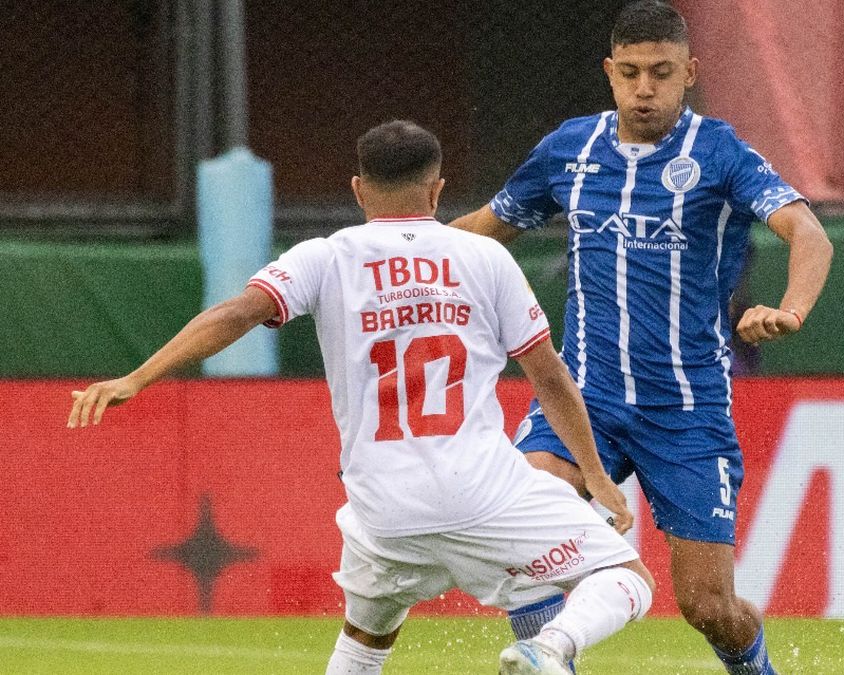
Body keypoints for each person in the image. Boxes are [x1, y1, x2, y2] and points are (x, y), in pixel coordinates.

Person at [67, 120, 655, 675]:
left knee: (366, 637)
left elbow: (237, 313)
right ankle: (550, 647)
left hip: (383, 511)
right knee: (627, 576)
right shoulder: (485, 257)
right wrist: (596, 476)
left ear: (357, 189)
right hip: (482, 493)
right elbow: (550, 377)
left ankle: (533, 640)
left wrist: (137, 377)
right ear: (437, 189)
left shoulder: (324, 256)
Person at [450, 2, 834, 673]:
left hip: (686, 411)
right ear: (609, 72)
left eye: (661, 72)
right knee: (521, 528)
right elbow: (485, 228)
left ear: (690, 72)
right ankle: (549, 660)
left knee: (708, 605)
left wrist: (791, 310)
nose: (644, 88)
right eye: (630, 73)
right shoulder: (570, 149)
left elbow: (809, 232)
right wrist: (383, 253)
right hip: (585, 399)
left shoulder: (719, 153)